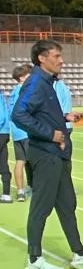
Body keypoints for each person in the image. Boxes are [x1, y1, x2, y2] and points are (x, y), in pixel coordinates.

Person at [11, 40, 83, 269]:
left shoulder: (47, 83)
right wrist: (50, 133)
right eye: (56, 56)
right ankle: (34, 259)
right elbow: (19, 114)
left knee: (66, 205)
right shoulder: (35, 82)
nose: (61, 60)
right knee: (41, 208)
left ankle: (80, 254)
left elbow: (42, 113)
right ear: (42, 58)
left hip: (58, 154)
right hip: (46, 155)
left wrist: (65, 116)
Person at [6, 65, 32, 202]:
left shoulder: (13, 92)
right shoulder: (25, 91)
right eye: (28, 75)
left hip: (16, 132)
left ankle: (21, 192)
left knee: (20, 161)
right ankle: (38, 188)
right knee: (35, 162)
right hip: (27, 131)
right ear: (22, 78)